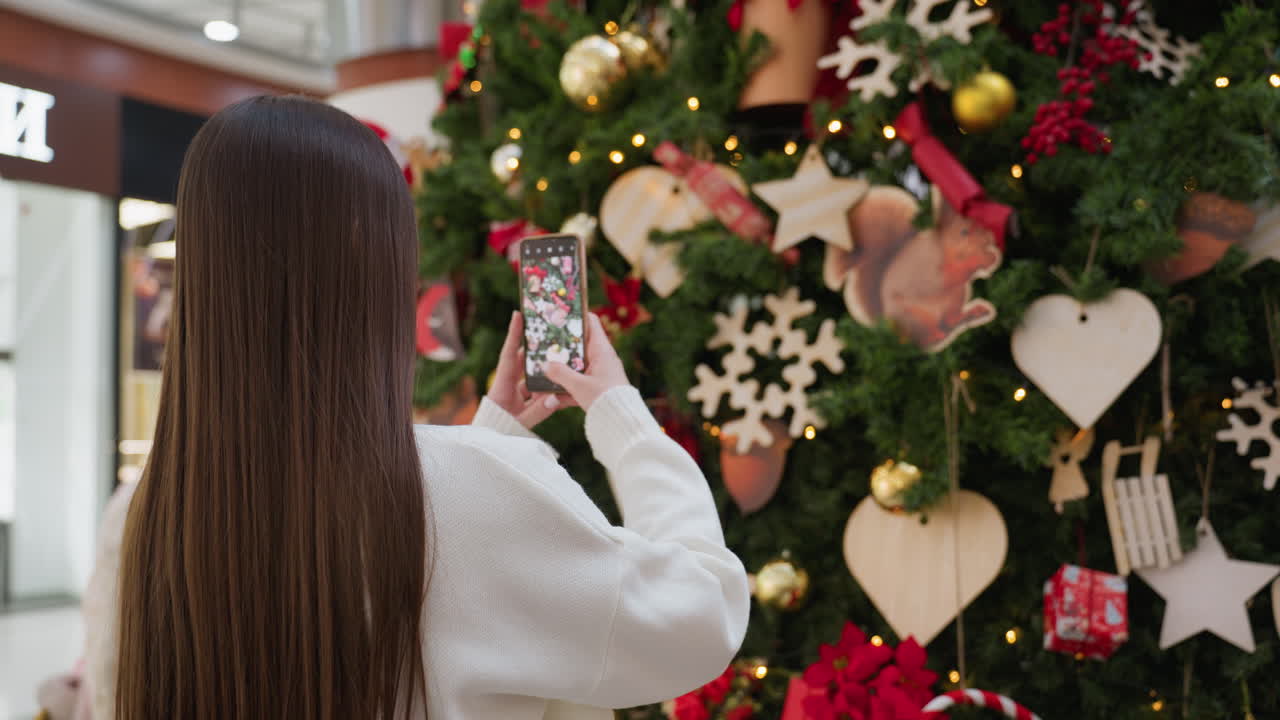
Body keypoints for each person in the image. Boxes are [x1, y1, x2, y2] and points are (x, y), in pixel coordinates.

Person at [82, 95, 749, 720]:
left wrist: (494, 437)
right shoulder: (472, 484)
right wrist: (620, 416)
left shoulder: (148, 512)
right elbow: (698, 611)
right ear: (375, 270)